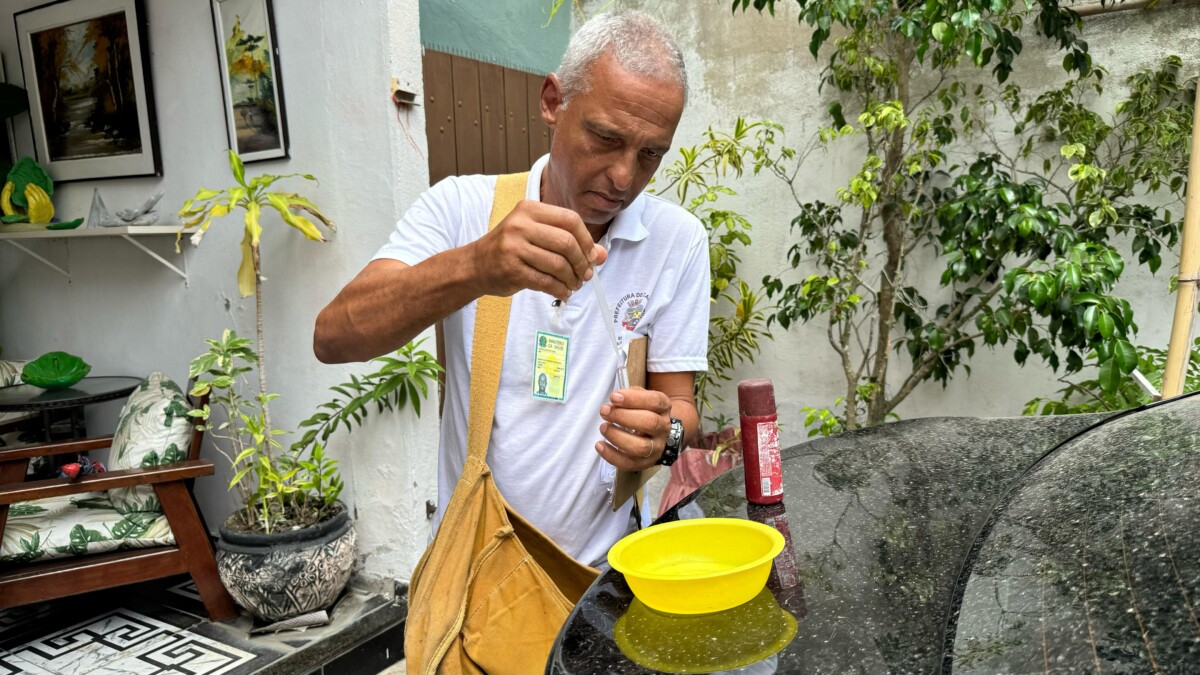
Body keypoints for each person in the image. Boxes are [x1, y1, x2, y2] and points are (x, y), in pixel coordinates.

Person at [313, 10, 709, 566]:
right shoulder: (462, 209)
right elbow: (333, 337)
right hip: (475, 579)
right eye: (605, 138)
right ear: (553, 101)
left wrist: (662, 436)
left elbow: (683, 409)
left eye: (650, 154)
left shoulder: (677, 241)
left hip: (607, 581)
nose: (624, 176)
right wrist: (476, 266)